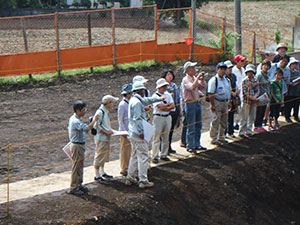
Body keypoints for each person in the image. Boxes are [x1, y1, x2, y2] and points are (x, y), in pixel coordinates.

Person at [125, 81, 166, 189]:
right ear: (142, 91)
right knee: (143, 156)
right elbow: (138, 119)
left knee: (134, 155)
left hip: (132, 132)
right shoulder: (138, 103)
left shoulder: (134, 100)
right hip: (138, 133)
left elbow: (147, 100)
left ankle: (130, 177)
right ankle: (143, 180)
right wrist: (141, 132)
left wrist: (159, 99)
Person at [68, 100, 99, 196]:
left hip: (79, 145)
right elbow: (87, 129)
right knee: (76, 167)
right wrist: (94, 120)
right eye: (83, 110)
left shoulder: (76, 119)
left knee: (80, 166)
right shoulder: (75, 121)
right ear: (78, 110)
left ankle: (79, 184)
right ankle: (73, 187)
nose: (85, 111)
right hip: (77, 145)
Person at [182, 61, 207, 153]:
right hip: (190, 103)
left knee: (198, 125)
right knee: (191, 125)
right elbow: (192, 87)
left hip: (197, 102)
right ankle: (190, 145)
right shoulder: (186, 80)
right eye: (192, 68)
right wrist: (197, 78)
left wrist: (201, 79)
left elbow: (202, 86)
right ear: (188, 70)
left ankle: (197, 144)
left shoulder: (193, 78)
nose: (194, 70)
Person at [93, 95, 119, 182]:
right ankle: (97, 175)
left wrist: (109, 131)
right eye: (112, 103)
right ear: (108, 103)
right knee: (99, 155)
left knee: (103, 155)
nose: (113, 105)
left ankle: (102, 172)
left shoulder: (105, 111)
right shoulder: (100, 112)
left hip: (105, 138)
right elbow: (97, 126)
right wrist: (107, 132)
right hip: (101, 138)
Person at [152, 78, 175, 163]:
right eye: (163, 86)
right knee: (156, 137)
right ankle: (155, 155)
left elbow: (172, 105)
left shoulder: (167, 94)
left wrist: (165, 106)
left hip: (167, 116)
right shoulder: (155, 96)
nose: (165, 87)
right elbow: (159, 107)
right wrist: (167, 106)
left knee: (166, 137)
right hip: (158, 117)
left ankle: (164, 154)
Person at [208, 62, 232, 145]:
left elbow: (229, 91)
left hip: (225, 102)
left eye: (224, 69)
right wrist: (213, 104)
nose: (222, 71)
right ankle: (214, 138)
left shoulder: (227, 80)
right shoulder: (214, 80)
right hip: (217, 101)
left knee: (224, 121)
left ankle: (222, 137)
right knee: (216, 121)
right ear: (217, 70)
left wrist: (229, 102)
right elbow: (211, 93)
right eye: (220, 69)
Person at [161, 69, 181, 154]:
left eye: (171, 74)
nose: (170, 76)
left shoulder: (174, 86)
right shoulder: (163, 87)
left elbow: (178, 98)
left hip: (174, 109)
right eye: (168, 75)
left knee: (171, 129)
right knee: (165, 130)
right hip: (167, 110)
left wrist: (179, 109)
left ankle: (169, 146)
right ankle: (163, 148)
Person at [239, 64, 259, 137]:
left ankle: (249, 130)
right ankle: (242, 131)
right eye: (248, 72)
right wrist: (251, 97)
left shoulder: (256, 80)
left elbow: (257, 90)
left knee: (252, 117)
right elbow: (244, 92)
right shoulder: (244, 81)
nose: (250, 73)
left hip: (254, 101)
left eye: (251, 72)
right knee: (244, 117)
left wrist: (255, 96)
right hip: (246, 101)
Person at [118, 84, 133, 176]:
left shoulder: (130, 102)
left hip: (131, 130)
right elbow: (120, 119)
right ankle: (124, 168)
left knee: (130, 150)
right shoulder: (122, 105)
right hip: (125, 131)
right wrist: (123, 132)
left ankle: (129, 166)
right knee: (125, 150)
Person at [254, 59, 272, 132]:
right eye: (264, 65)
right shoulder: (259, 75)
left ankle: (260, 125)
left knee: (263, 111)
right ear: (262, 66)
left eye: (268, 66)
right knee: (259, 111)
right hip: (260, 96)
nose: (266, 67)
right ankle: (257, 126)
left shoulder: (267, 75)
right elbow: (255, 85)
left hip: (266, 96)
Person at [224, 60, 239, 138]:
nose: (230, 69)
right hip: (226, 98)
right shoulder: (223, 77)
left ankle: (231, 131)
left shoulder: (233, 76)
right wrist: (232, 92)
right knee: (225, 116)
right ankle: (224, 132)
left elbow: (235, 85)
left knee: (231, 115)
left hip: (233, 98)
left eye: (231, 67)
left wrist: (236, 91)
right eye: (228, 68)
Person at [232, 54, 247, 130]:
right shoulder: (233, 70)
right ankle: (235, 122)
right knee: (236, 108)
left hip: (243, 91)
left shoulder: (243, 70)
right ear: (237, 62)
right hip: (237, 91)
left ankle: (239, 122)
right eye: (241, 61)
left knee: (242, 108)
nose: (243, 62)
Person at [285, 57, 300, 122]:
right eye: (293, 64)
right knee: (288, 105)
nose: (294, 65)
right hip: (289, 91)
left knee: (296, 105)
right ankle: (287, 117)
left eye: (295, 64)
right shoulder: (287, 72)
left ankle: (296, 116)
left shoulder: (297, 73)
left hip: (297, 91)